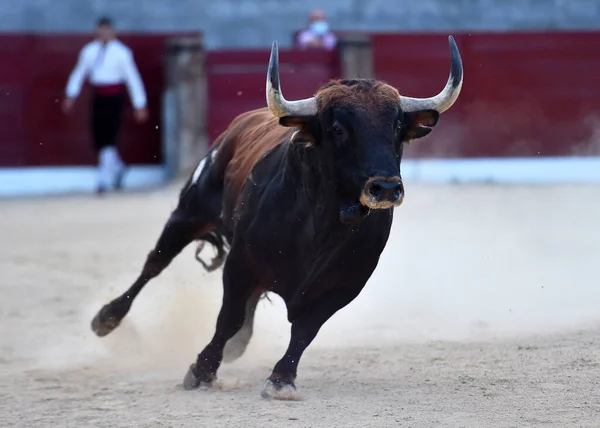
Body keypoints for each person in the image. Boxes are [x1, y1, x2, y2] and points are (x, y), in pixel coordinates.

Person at [62, 16, 148, 195]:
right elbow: (79, 73)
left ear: (113, 32)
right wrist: (71, 95)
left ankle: (103, 180)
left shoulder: (122, 52)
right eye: (100, 30)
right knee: (99, 138)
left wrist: (140, 103)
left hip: (115, 98)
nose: (103, 34)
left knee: (108, 137)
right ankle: (118, 168)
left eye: (106, 30)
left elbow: (132, 79)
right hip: (98, 98)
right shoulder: (89, 51)